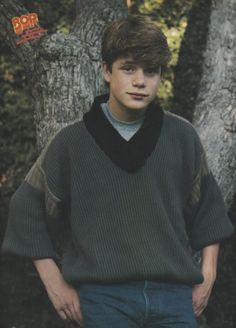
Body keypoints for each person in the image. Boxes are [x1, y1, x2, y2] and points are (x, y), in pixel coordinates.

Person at [2, 15, 234, 328]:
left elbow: (209, 213)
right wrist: (54, 283)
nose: (140, 81)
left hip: (174, 299)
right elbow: (25, 210)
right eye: (129, 68)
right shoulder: (72, 141)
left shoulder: (181, 136)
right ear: (106, 71)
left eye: (150, 71)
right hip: (103, 299)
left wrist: (207, 278)